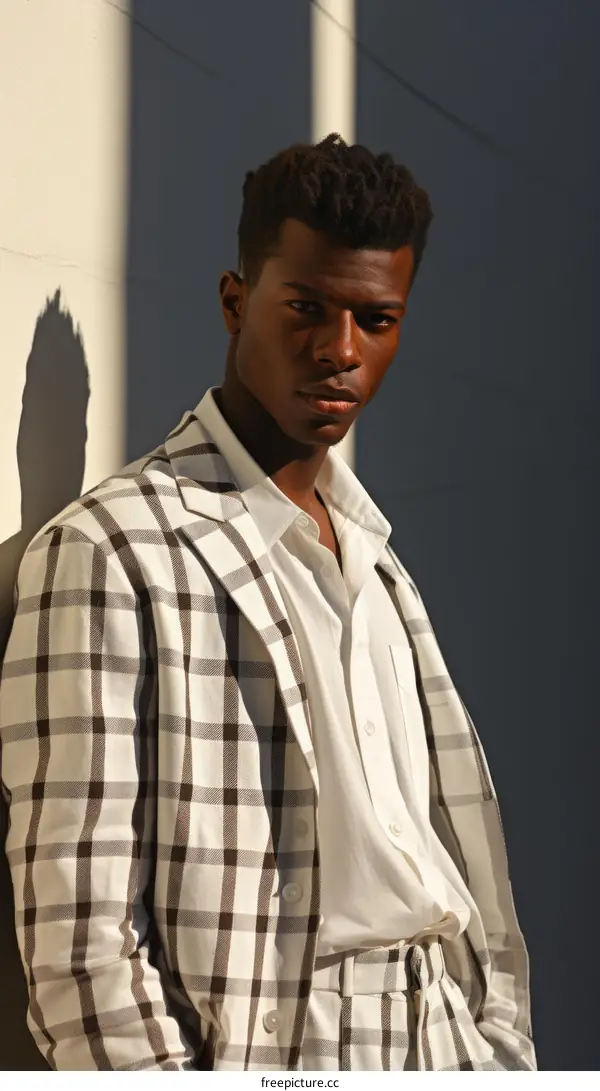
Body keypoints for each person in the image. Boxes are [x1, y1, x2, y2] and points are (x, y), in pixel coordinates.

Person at [0, 134, 535, 1072]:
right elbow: (81, 943)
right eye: (307, 308)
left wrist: (500, 1045)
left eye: (376, 320)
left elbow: (450, 854)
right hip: (287, 1043)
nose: (340, 351)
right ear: (234, 301)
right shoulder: (110, 552)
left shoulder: (376, 559)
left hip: (446, 1037)